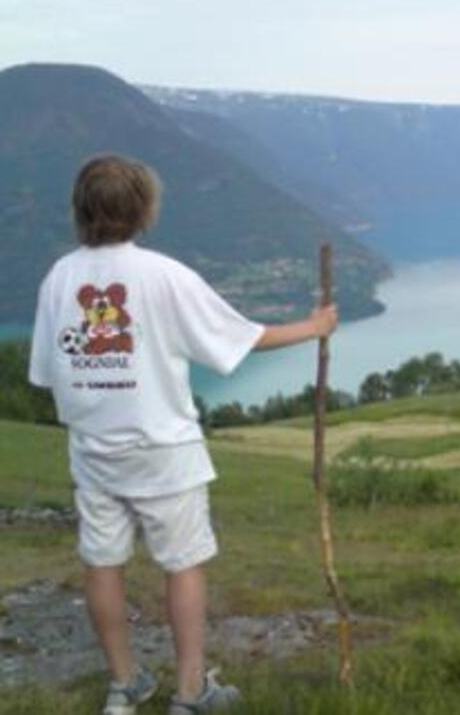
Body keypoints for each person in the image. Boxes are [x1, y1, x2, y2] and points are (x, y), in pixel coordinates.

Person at [28, 153, 337, 715]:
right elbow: (238, 338)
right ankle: (192, 693)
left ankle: (125, 684)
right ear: (145, 209)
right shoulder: (164, 276)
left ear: (80, 209)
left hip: (94, 451)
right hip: (164, 450)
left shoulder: (60, 279)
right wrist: (314, 327)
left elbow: (47, 373)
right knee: (183, 564)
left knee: (102, 563)